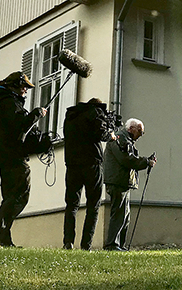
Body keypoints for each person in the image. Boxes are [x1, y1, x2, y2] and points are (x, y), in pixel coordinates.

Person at [0, 71, 46, 248]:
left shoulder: (1, 99)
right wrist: (36, 114)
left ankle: (3, 239)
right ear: (14, 86)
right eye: (24, 87)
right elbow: (19, 125)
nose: (26, 91)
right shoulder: (7, 101)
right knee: (20, 195)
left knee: (9, 197)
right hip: (12, 154)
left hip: (3, 154)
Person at [62, 98, 116, 250]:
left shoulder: (71, 115)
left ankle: (68, 241)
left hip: (72, 164)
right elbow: (101, 134)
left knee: (71, 205)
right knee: (93, 205)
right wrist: (110, 133)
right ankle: (86, 245)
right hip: (91, 164)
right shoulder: (95, 113)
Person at [102, 118, 155, 250]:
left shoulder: (124, 139)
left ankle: (119, 245)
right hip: (117, 181)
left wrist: (145, 161)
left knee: (124, 215)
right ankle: (112, 244)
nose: (141, 135)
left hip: (121, 181)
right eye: (140, 132)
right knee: (119, 214)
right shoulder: (120, 139)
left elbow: (128, 158)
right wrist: (146, 162)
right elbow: (126, 159)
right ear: (131, 128)